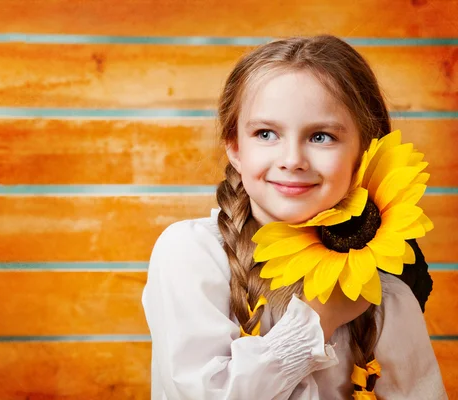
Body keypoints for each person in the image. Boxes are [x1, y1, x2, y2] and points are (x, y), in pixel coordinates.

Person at [141, 35, 447, 399]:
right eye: (266, 133)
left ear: (365, 152)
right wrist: (316, 324)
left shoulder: (386, 297)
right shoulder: (193, 254)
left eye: (321, 136)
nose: (292, 159)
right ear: (235, 148)